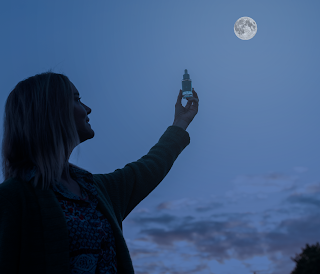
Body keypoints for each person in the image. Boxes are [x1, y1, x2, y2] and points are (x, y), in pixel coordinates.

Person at [0, 70, 199, 274]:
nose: (88, 109)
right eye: (77, 100)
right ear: (49, 111)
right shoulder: (12, 198)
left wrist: (180, 123)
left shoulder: (96, 191)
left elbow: (149, 167)